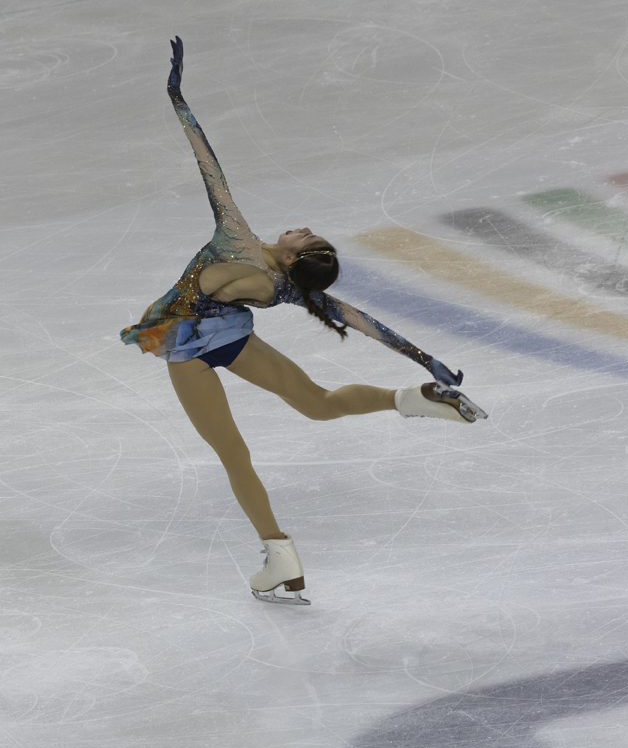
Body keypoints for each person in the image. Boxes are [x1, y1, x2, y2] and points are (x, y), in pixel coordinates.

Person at [121, 38, 485, 606]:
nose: (302, 228)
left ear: (292, 257)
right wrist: (423, 359)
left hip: (185, 342)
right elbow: (365, 322)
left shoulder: (237, 238)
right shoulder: (289, 289)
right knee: (318, 402)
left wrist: (178, 99)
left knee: (233, 454)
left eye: (305, 238)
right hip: (233, 335)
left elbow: (209, 167)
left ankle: (279, 554)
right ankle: (416, 396)